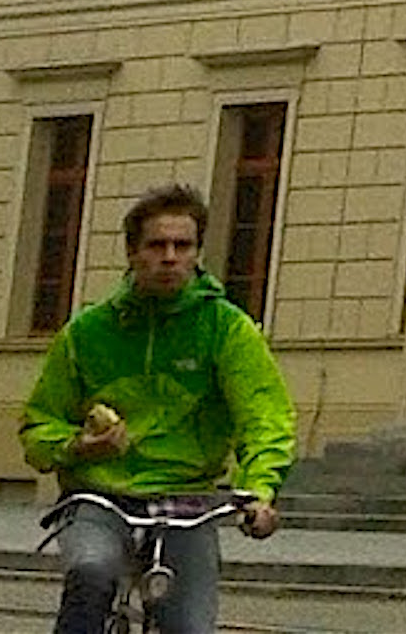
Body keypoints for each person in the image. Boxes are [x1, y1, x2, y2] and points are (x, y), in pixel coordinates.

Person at [21, 184, 293, 634]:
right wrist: (77, 445)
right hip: (100, 495)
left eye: (182, 246)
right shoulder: (87, 333)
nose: (170, 257)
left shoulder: (226, 329)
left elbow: (264, 416)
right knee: (90, 575)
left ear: (197, 253)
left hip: (187, 499)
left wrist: (259, 491)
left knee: (189, 624)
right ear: (132, 253)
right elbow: (37, 424)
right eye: (156, 245)